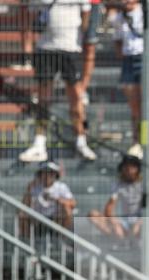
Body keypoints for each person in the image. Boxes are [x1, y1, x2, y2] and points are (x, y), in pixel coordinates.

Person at [18, 0, 97, 162]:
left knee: (75, 97)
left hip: (70, 49)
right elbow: (28, 12)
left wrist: (79, 37)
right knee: (43, 100)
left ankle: (81, 141)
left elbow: (86, 15)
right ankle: (40, 144)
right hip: (46, 49)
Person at [112, 0, 149, 158]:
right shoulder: (118, 17)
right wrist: (122, 54)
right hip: (130, 61)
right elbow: (117, 40)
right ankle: (137, 141)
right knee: (135, 107)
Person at [89, 154, 149, 240]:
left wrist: (140, 222)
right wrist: (114, 222)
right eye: (127, 167)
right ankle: (121, 243)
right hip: (123, 221)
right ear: (122, 169)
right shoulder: (117, 185)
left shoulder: (144, 184)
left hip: (140, 220)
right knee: (93, 215)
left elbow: (147, 208)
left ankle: (147, 243)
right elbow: (109, 208)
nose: (129, 170)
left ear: (138, 169)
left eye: (132, 167)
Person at [21, 161, 77, 232]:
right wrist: (29, 190)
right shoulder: (34, 186)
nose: (47, 176)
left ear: (55, 174)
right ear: (40, 175)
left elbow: (73, 203)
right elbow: (24, 205)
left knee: (67, 209)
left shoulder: (61, 186)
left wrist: (56, 199)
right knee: (22, 214)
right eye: (44, 173)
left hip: (56, 218)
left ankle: (64, 237)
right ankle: (26, 239)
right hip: (38, 217)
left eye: (51, 173)